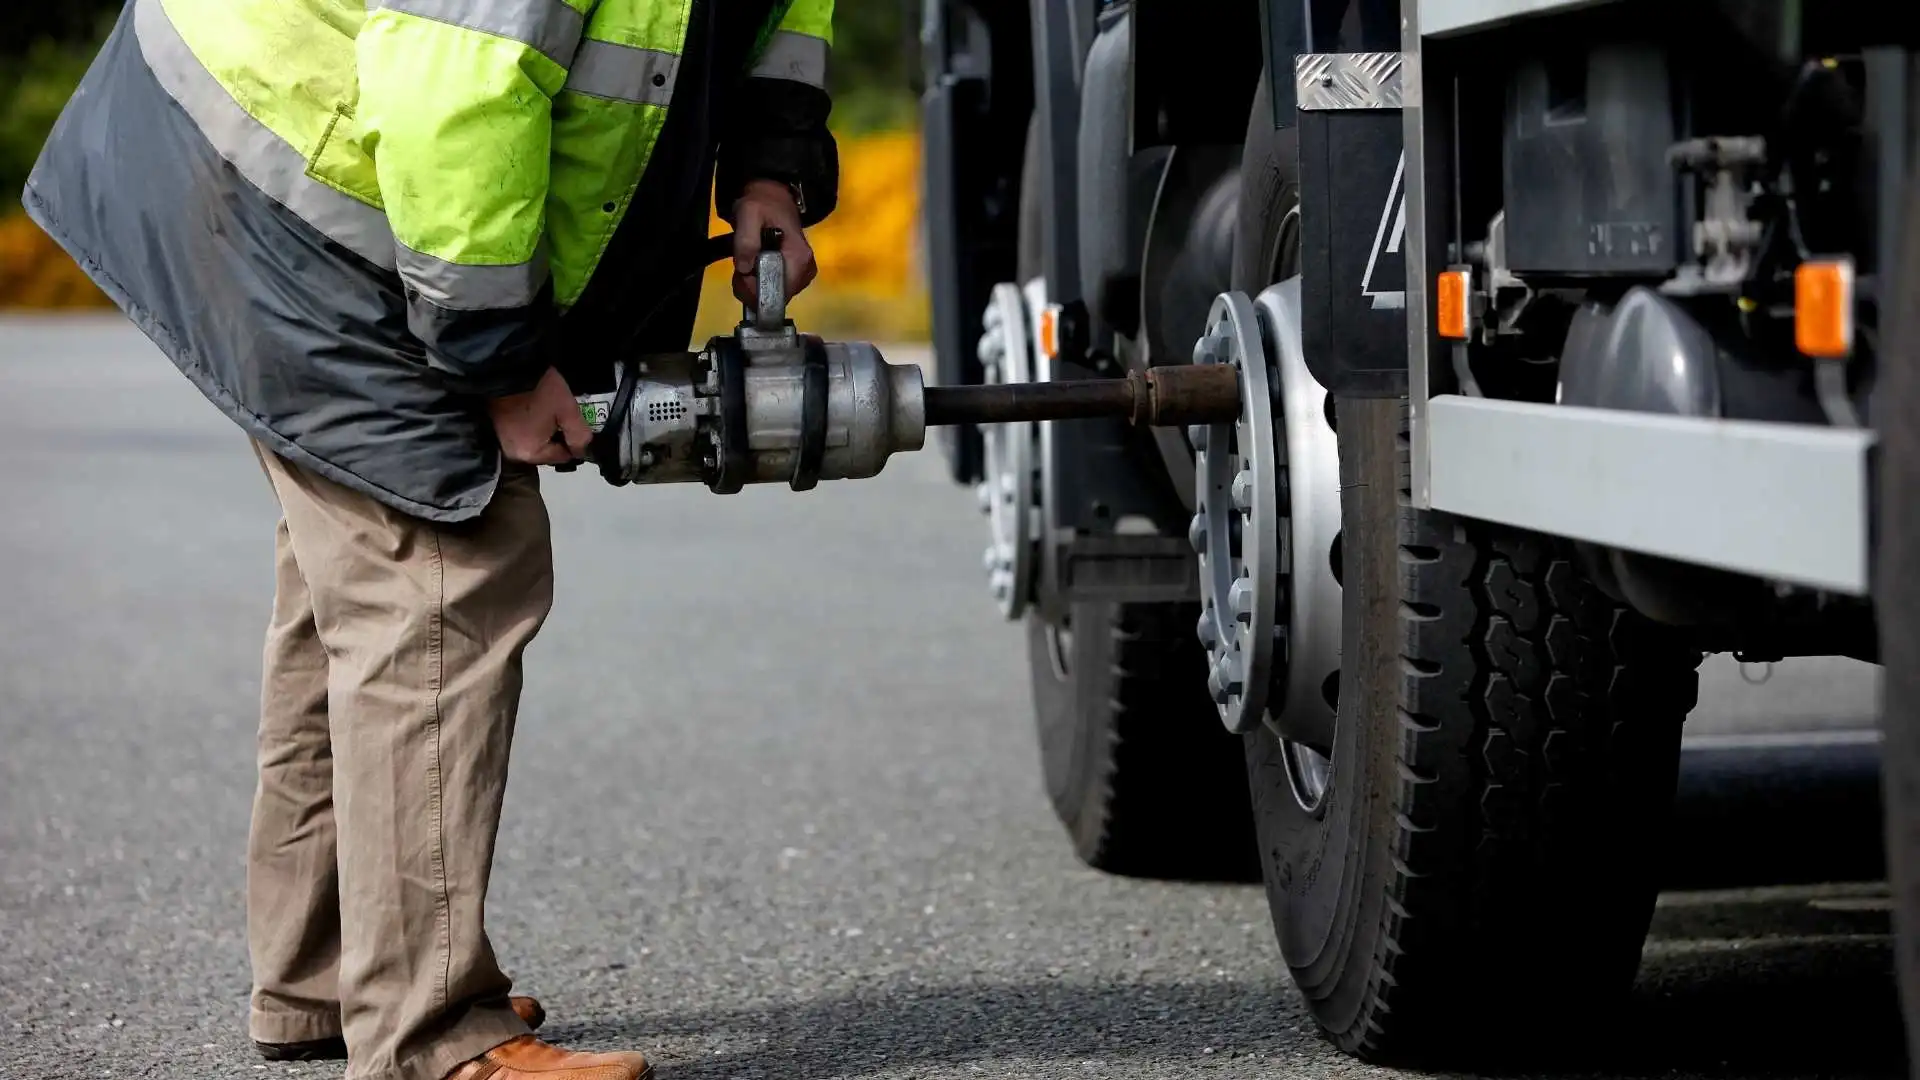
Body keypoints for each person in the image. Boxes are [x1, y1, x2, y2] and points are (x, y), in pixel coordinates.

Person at [23, 0, 837, 1077]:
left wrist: (767, 169)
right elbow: (453, 94)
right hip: (299, 183)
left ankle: (325, 978)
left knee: (355, 579)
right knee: (446, 563)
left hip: (288, 147)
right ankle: (429, 1037)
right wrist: (497, 361)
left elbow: (774, 10)